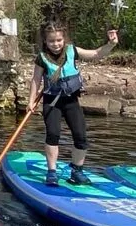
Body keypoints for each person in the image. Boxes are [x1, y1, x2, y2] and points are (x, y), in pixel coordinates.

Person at [29, 20, 118, 187]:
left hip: (71, 100)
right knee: (53, 134)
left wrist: (110, 45)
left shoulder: (72, 51)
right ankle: (51, 172)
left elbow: (96, 54)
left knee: (81, 137)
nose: (55, 44)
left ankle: (77, 171)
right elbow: (35, 80)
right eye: (51, 41)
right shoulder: (41, 58)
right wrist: (31, 101)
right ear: (45, 41)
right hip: (52, 102)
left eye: (58, 40)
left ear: (64, 39)